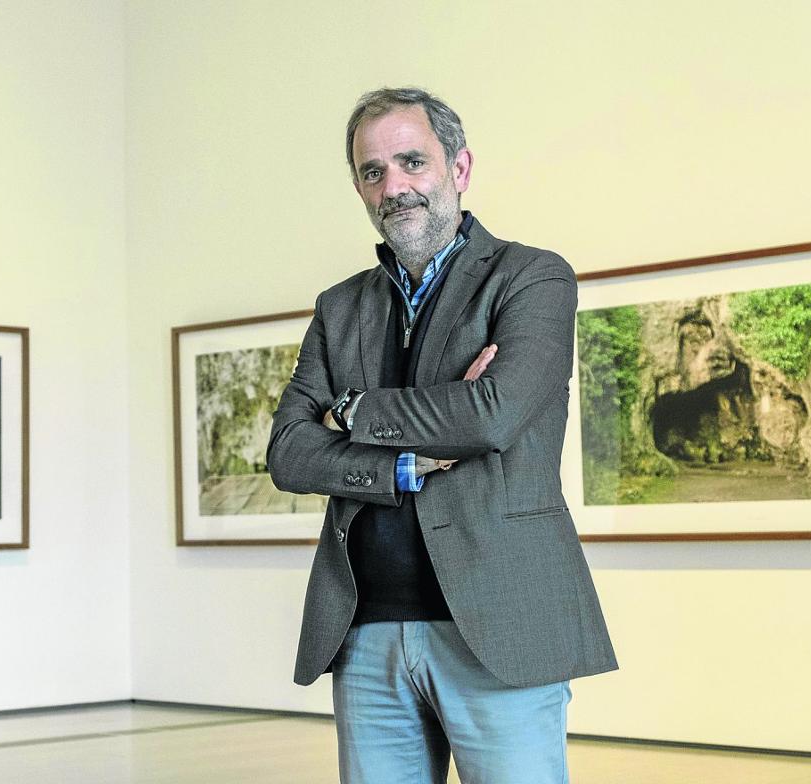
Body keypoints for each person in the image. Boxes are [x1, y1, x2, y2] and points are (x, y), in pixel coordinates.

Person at [267, 87, 617, 784]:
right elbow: (287, 450)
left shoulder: (532, 278)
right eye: (373, 172)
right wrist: (400, 464)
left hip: (500, 625)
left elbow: (493, 414)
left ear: (459, 167)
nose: (394, 186)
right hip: (365, 631)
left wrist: (355, 411)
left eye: (411, 161)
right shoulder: (340, 308)